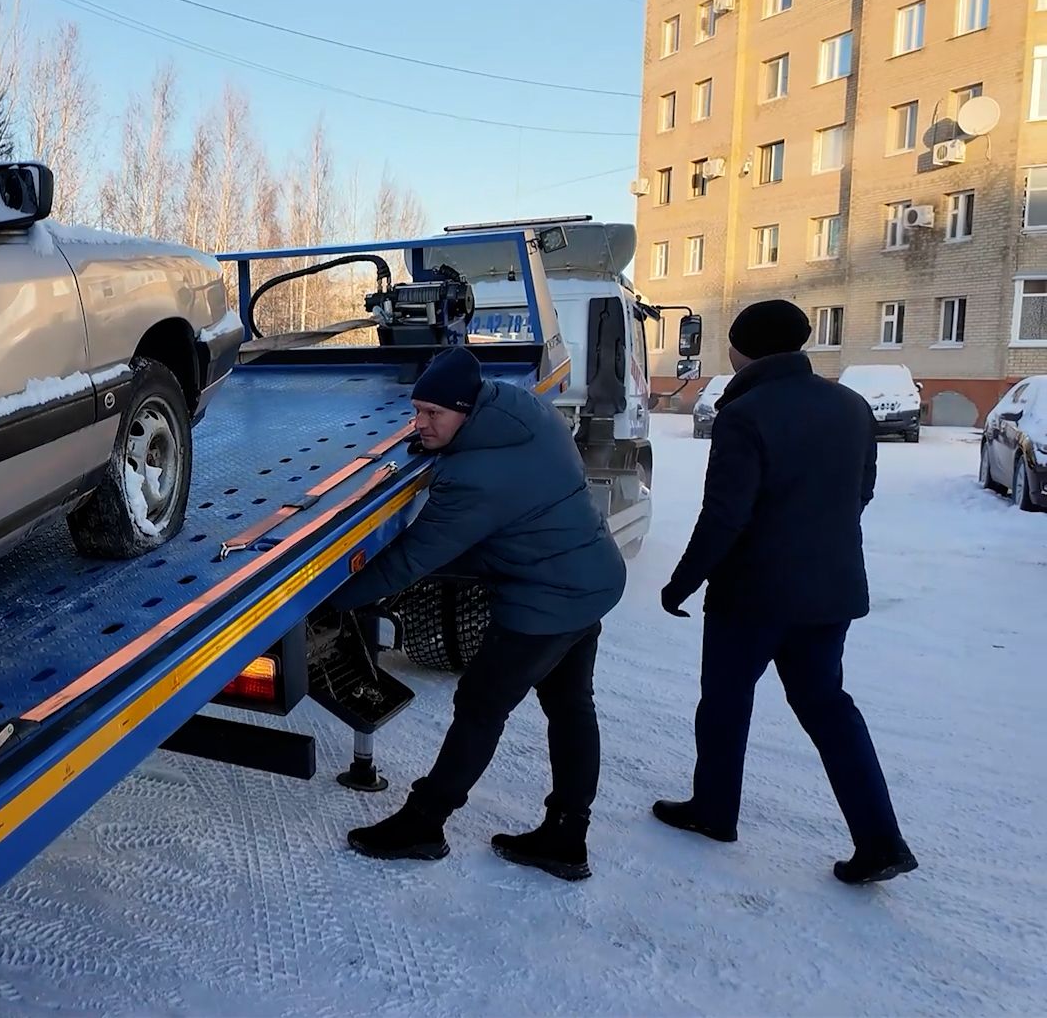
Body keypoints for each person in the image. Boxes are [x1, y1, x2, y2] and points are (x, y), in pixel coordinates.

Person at [332, 346, 626, 881]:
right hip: (592, 574)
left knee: (480, 706)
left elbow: (411, 561)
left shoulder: (476, 477)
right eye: (416, 411)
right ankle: (567, 834)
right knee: (570, 706)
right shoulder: (520, 407)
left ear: (466, 410)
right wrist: (440, 436)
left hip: (546, 597)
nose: (419, 424)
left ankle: (425, 823)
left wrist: (326, 599)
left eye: (433, 414)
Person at [655, 299, 916, 885]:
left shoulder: (744, 414)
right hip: (830, 591)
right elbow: (862, 491)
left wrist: (683, 581)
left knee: (724, 704)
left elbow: (725, 515)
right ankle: (881, 840)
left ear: (742, 348)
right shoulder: (851, 406)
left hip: (752, 595)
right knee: (829, 708)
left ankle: (713, 811)